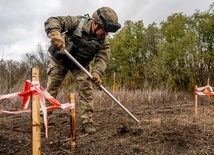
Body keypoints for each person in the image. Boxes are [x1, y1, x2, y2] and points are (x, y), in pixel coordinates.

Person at [44, 6, 121, 134]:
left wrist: (97, 72)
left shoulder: (103, 42)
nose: (106, 33)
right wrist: (55, 33)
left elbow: (103, 58)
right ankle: (42, 119)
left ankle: (87, 121)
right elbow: (53, 20)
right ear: (95, 24)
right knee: (51, 90)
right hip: (61, 60)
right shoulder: (76, 22)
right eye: (104, 30)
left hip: (80, 65)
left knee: (86, 90)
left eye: (108, 31)